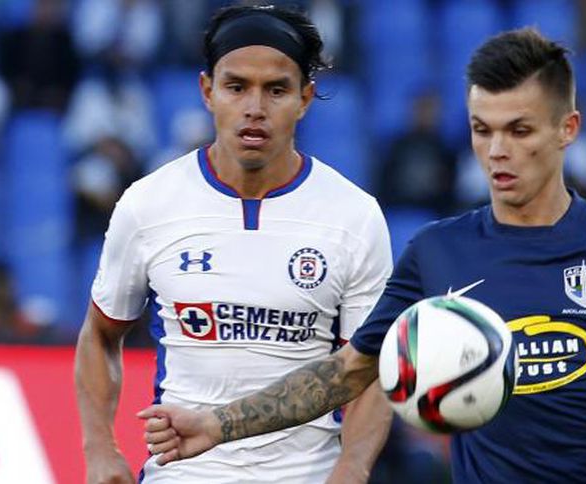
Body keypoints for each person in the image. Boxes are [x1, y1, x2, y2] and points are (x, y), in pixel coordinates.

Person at [139, 28, 586, 483]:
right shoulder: (438, 251)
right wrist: (219, 425)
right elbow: (349, 371)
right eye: (482, 129)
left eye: (519, 130)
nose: (497, 151)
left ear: (566, 129)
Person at [75, 5, 393, 484]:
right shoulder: (149, 204)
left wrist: (352, 466)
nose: (255, 108)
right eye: (237, 86)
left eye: (277, 90)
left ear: (305, 98)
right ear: (208, 91)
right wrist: (100, 449)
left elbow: (368, 367)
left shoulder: (354, 216)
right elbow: (101, 334)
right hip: (183, 474)